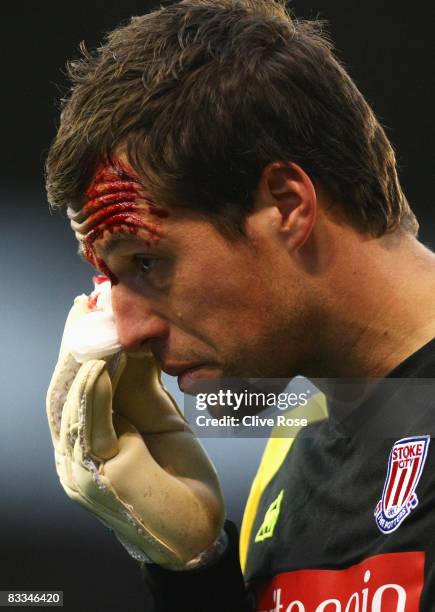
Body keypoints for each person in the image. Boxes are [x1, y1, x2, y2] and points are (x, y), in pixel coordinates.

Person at [45, 0, 435, 609]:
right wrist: (193, 575)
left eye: (146, 263)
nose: (126, 330)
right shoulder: (292, 452)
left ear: (286, 205)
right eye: (111, 282)